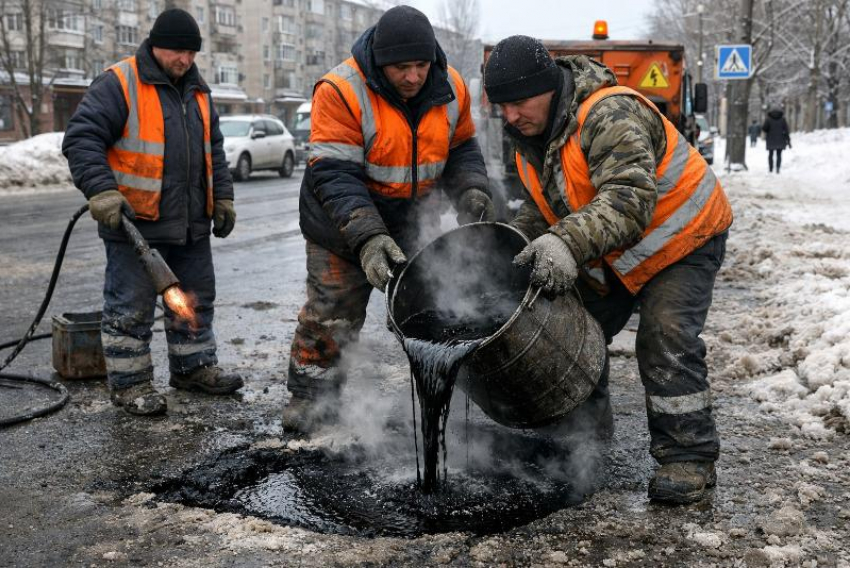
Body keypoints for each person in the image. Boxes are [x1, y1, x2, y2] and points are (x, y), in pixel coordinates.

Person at [483, 36, 733, 504]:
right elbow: (547, 208)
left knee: (664, 334)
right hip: (617, 249)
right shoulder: (531, 143)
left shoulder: (609, 115)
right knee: (568, 328)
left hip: (684, 240)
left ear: (549, 87)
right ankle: (584, 442)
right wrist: (510, 243)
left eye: (519, 103)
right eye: (502, 107)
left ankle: (687, 456)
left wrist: (564, 242)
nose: (511, 116)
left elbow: (627, 200)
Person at [286, 5, 493, 432]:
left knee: (432, 310)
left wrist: (472, 188)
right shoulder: (341, 90)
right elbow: (334, 173)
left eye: (421, 66)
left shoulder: (452, 85)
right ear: (381, 62)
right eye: (402, 68)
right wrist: (367, 238)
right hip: (342, 225)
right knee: (332, 315)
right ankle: (311, 402)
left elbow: (463, 149)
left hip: (413, 221)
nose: (414, 77)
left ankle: (436, 400)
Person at [62, 8, 243, 416]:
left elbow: (213, 148)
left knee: (195, 302)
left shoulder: (198, 89)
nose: (185, 60)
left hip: (190, 224)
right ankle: (130, 384)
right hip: (135, 225)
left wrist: (224, 198)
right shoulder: (120, 82)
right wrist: (102, 191)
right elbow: (82, 138)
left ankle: (193, 368)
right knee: (130, 308)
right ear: (155, 44)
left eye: (192, 53)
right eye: (178, 51)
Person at [762, 108, 791, 173]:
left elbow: (764, 128)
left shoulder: (768, 119)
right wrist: (788, 140)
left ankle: (770, 168)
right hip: (780, 139)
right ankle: (778, 168)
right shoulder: (783, 120)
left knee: (770, 154)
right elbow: (786, 130)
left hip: (770, 139)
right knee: (779, 155)